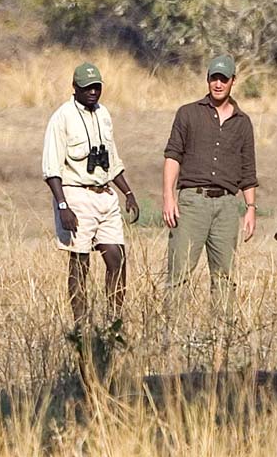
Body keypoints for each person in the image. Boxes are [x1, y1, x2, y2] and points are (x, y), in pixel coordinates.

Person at [42, 62, 139, 326]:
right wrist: (63, 206)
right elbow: (51, 169)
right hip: (76, 194)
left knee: (116, 256)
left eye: (96, 87)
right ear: (75, 88)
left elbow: (112, 158)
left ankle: (114, 320)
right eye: (87, 88)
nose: (93, 92)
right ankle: (81, 323)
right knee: (80, 261)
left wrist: (127, 191)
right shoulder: (62, 118)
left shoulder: (103, 114)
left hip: (106, 194)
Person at [162, 53, 258, 295]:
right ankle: (172, 330)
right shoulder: (188, 114)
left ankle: (223, 333)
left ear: (232, 81)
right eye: (214, 78)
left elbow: (248, 169)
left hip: (226, 205)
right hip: (193, 202)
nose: (218, 84)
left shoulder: (243, 122)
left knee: (225, 279)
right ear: (207, 79)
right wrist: (168, 197)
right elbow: (173, 155)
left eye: (223, 79)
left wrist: (250, 208)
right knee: (179, 275)